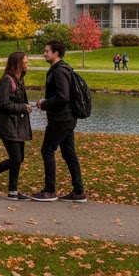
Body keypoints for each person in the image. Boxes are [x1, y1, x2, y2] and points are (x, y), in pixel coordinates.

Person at [32, 39, 86, 203]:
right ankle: (78, 192)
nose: (44, 53)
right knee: (69, 154)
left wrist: (45, 103)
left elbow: (63, 97)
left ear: (56, 53)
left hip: (61, 119)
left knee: (47, 150)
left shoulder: (59, 71)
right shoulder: (63, 69)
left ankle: (50, 190)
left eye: (47, 51)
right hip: (67, 118)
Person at [0, 51, 34, 200]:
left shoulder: (19, 80)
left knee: (19, 158)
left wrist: (25, 107)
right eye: (25, 62)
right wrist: (23, 107)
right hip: (8, 126)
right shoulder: (7, 81)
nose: (27, 64)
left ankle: (13, 191)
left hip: (17, 126)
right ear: (18, 63)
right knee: (15, 158)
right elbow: (3, 104)